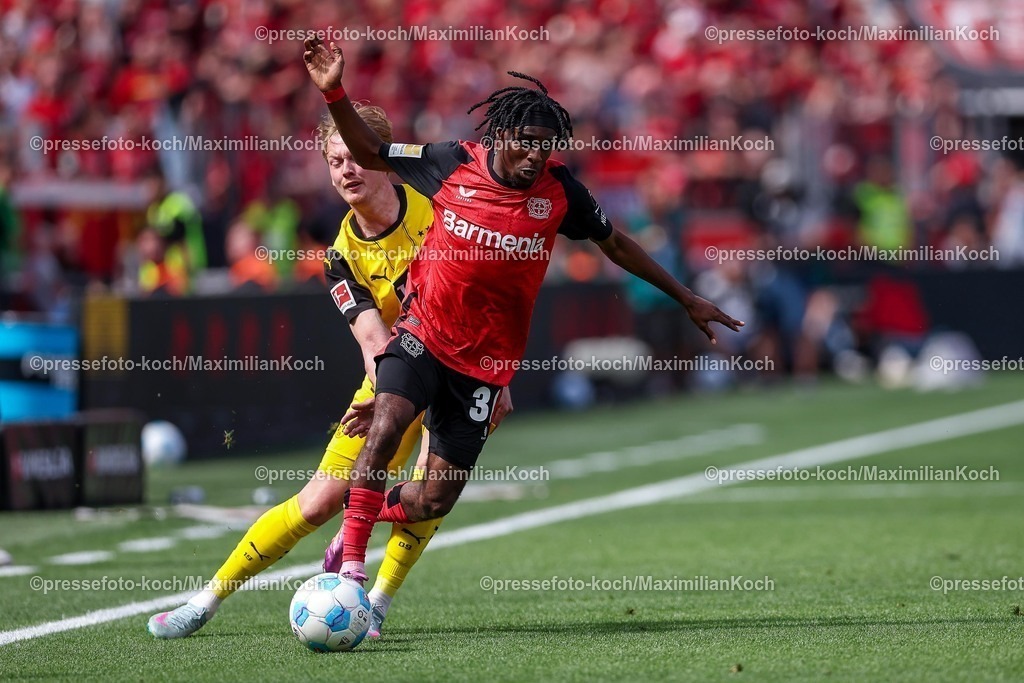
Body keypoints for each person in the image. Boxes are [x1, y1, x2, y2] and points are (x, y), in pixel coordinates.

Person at [303, 38, 743, 588]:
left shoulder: (561, 191)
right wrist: (335, 93)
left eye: (548, 144)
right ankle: (349, 578)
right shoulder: (452, 162)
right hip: (422, 333)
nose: (538, 154)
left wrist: (686, 296)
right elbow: (371, 153)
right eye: (529, 142)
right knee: (387, 425)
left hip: (484, 363)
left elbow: (618, 245)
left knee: (433, 498)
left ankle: (359, 514)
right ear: (503, 136)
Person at [147, 103, 511, 640]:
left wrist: (500, 375)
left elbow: (491, 292)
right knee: (318, 501)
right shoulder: (340, 255)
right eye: (334, 161)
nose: (346, 170)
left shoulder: (439, 209)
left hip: (464, 367)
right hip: (397, 371)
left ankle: (378, 602)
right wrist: (389, 392)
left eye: (356, 158)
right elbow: (373, 339)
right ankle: (205, 601)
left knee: (430, 489)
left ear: (383, 159)